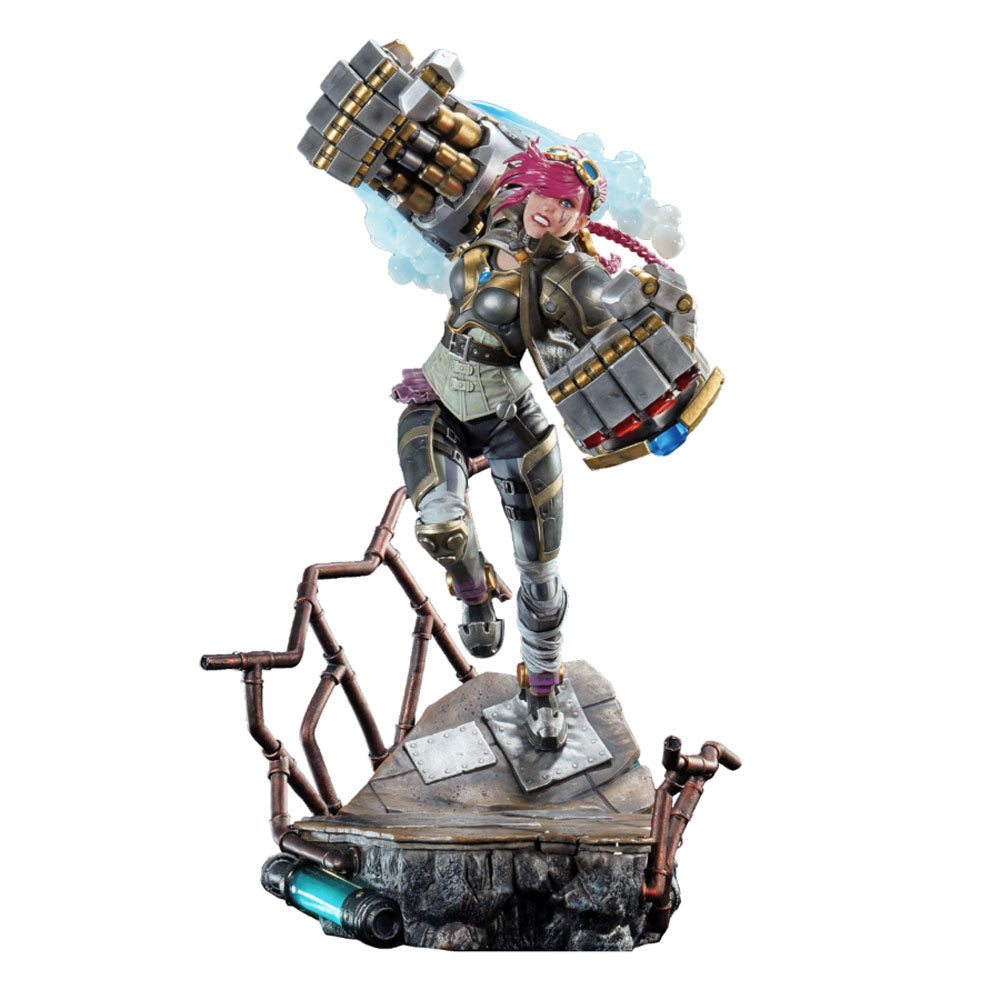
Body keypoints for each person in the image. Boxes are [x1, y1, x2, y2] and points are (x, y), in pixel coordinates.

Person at [393, 142, 664, 751]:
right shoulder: (487, 227)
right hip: (436, 399)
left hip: (511, 420)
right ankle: (474, 593)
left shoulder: (572, 277)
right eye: (551, 196)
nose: (555, 213)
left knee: (540, 580)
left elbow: (619, 342)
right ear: (528, 186)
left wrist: (643, 304)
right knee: (440, 528)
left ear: (582, 217)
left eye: (571, 207)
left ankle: (542, 689)